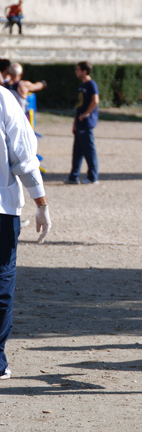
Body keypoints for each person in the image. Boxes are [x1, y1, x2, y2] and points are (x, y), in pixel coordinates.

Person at [0, 86, 52, 380]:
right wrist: (41, 202)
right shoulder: (4, 99)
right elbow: (24, 157)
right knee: (2, 281)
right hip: (2, 209)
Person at [65, 61, 99, 185]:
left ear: (84, 71)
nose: (76, 72)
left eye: (78, 69)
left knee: (89, 151)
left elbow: (95, 100)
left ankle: (92, 177)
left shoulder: (91, 84)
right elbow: (79, 106)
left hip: (86, 123)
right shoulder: (82, 85)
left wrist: (86, 114)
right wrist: (75, 123)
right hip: (79, 123)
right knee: (77, 152)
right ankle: (73, 177)